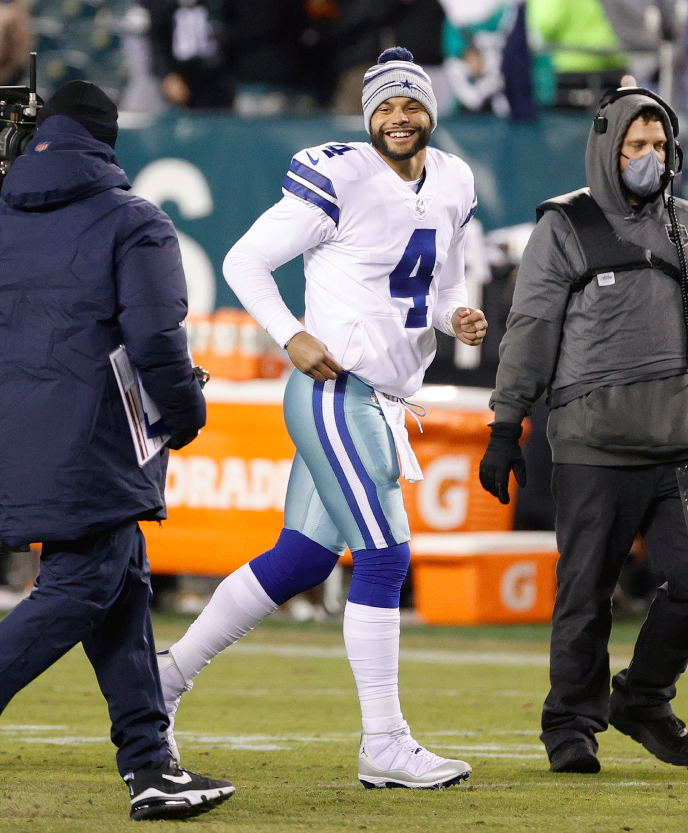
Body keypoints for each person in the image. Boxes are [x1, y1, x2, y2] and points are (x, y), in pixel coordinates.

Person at [0, 80, 235, 821]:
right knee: (82, 588)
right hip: (101, 442)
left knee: (122, 586)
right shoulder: (134, 222)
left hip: (19, 444)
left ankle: (149, 764)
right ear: (106, 141)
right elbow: (155, 342)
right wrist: (186, 411)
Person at [157, 47, 486, 790]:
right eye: (385, 106)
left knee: (302, 560)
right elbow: (244, 260)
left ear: (430, 110)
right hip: (340, 391)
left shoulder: (455, 180)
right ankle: (385, 741)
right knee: (384, 556)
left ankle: (166, 677)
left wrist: (456, 314)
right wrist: (290, 334)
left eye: (410, 104)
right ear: (367, 115)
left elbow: (436, 280)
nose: (398, 118)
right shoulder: (339, 175)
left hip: (382, 398)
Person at [479, 85, 688, 774]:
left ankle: (643, 697)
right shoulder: (566, 227)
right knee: (585, 590)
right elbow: (531, 330)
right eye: (638, 145)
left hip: (685, 446)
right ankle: (571, 724)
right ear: (609, 147)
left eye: (661, 145)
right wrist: (506, 422)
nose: (650, 157)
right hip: (592, 447)